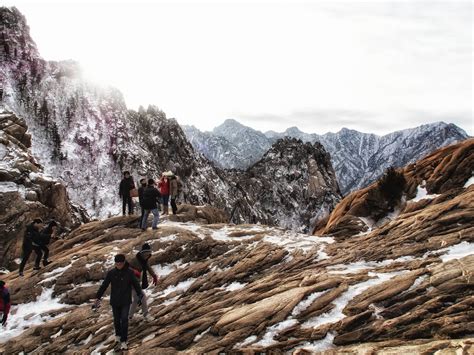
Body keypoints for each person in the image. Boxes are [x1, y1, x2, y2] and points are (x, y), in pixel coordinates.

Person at [95, 254, 143, 350]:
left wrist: (140, 295)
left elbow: (136, 284)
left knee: (124, 319)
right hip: (115, 301)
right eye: (117, 263)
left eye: (120, 263)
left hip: (125, 300)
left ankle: (124, 340)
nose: (119, 265)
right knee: (116, 320)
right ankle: (118, 335)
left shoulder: (130, 273)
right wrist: (98, 297)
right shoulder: (111, 273)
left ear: (124, 262)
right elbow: (104, 285)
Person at [128, 243, 158, 321]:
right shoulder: (135, 260)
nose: (147, 256)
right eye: (146, 254)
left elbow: (149, 268)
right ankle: (146, 315)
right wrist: (134, 271)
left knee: (135, 299)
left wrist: (154, 276)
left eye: (148, 254)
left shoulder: (145, 261)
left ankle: (129, 316)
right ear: (142, 253)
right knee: (142, 296)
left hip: (136, 281)